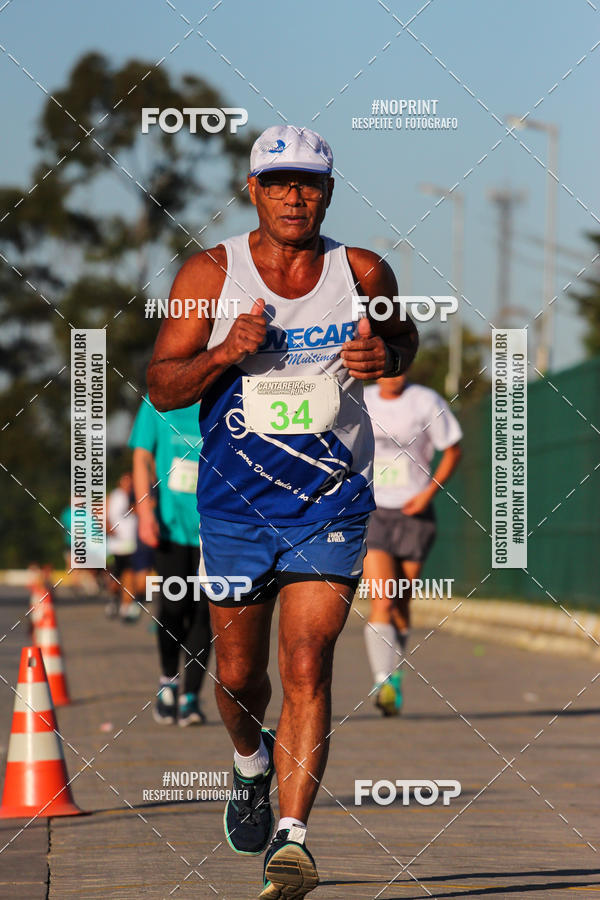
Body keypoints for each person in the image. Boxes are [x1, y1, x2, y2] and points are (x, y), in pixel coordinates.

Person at [146, 124, 418, 899]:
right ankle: (249, 765)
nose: (293, 196)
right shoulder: (210, 272)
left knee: (307, 663)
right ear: (252, 189)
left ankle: (293, 841)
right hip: (234, 507)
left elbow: (403, 338)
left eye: (308, 183)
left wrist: (385, 358)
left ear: (328, 191)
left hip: (329, 500)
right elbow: (162, 384)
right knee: (236, 679)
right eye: (277, 182)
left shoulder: (361, 268)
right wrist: (227, 352)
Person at [363, 371, 462, 716]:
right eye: (388, 367)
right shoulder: (361, 399)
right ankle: (382, 680)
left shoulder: (425, 401)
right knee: (383, 598)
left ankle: (395, 675)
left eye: (400, 366)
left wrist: (428, 493)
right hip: (373, 510)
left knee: (402, 603)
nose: (394, 375)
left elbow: (452, 450)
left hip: (413, 512)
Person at [129, 395, 211, 726]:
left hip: (214, 529)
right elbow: (141, 456)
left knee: (206, 613)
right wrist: (145, 510)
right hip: (170, 526)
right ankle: (167, 683)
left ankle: (191, 697)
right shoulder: (161, 398)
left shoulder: (228, 392)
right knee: (174, 608)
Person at [106, 472, 139, 621]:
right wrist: (107, 527)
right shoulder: (116, 496)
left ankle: (126, 607)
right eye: (126, 482)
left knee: (129, 576)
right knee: (116, 577)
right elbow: (104, 513)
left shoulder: (135, 494)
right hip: (117, 545)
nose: (128, 484)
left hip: (131, 544)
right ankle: (114, 601)